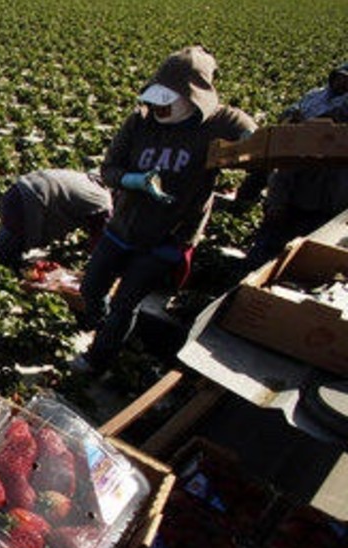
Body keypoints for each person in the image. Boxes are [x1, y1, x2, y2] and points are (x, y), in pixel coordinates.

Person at [74, 45, 256, 375]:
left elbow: (255, 138)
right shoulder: (140, 123)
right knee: (91, 286)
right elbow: (109, 169)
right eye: (155, 100)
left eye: (166, 101)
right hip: (124, 227)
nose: (157, 108)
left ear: (194, 96)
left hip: (167, 238)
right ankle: (100, 324)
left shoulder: (217, 122)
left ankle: (97, 359)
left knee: (125, 303)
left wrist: (252, 143)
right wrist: (132, 180)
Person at [237, 64, 348, 270]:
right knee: (264, 253)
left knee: (305, 260)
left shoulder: (339, 112)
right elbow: (284, 151)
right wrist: (276, 201)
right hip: (293, 193)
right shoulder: (316, 97)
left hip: (329, 202)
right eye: (340, 78)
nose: (342, 83)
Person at [0, 169, 113, 282]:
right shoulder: (103, 202)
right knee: (0, 252)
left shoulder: (88, 180)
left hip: (17, 191)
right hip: (28, 202)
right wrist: (98, 273)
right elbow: (100, 244)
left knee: (8, 252)